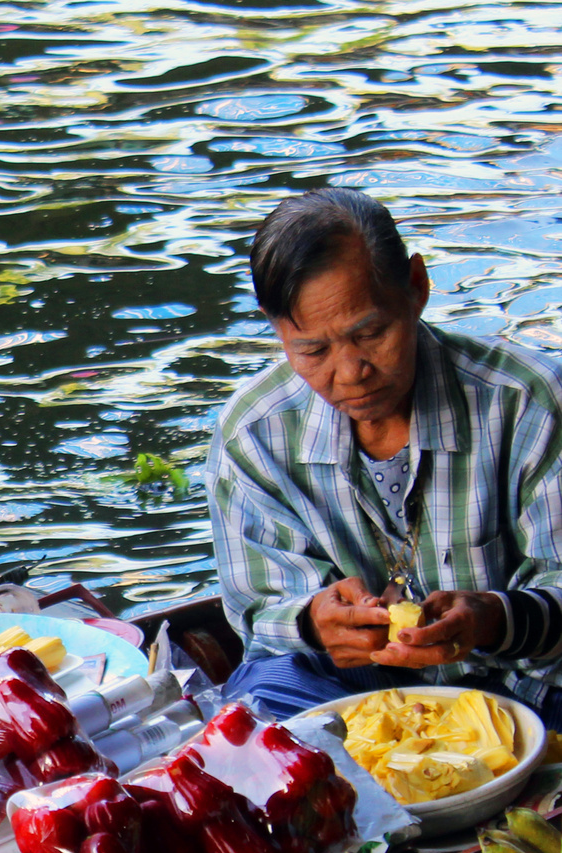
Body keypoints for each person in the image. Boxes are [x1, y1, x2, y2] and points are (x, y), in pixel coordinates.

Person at [205, 187, 562, 724]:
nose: (350, 372)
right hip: (358, 695)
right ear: (276, 328)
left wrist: (492, 619)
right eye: (313, 350)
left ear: (417, 287)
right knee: (261, 703)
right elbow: (259, 609)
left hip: (527, 690)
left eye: (371, 333)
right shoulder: (253, 435)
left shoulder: (530, 403)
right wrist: (313, 623)